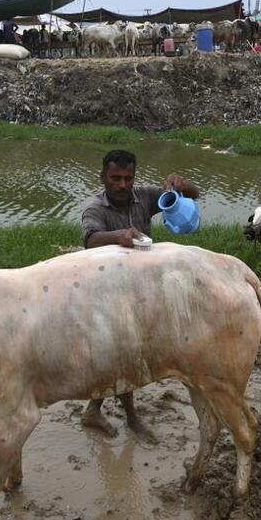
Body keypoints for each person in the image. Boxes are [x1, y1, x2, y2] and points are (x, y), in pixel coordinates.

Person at [80, 149, 199, 440]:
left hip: (140, 289)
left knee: (123, 356)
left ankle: (93, 411)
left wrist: (183, 186)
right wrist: (118, 237)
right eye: (115, 178)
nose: (122, 185)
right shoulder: (95, 208)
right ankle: (132, 418)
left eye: (128, 178)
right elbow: (90, 239)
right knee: (126, 355)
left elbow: (195, 195)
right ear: (103, 177)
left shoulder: (144, 196)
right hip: (107, 293)